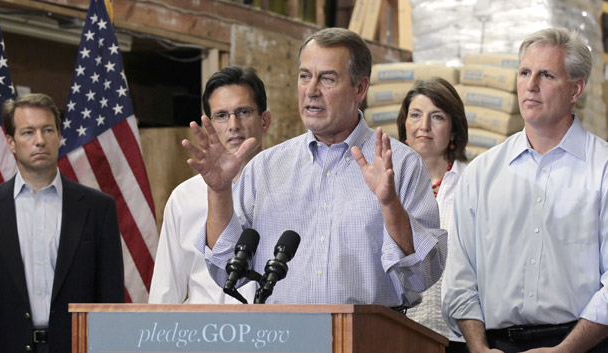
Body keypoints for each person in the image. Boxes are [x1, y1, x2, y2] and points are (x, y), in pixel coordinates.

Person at [184, 27, 447, 307]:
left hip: (369, 340)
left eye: (327, 79)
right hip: (283, 339)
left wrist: (389, 204)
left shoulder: (401, 164)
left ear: (360, 88)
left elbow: (423, 276)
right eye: (304, 77)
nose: (311, 91)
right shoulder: (265, 168)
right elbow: (227, 271)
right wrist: (219, 191)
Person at [442, 27, 608, 353]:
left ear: (576, 89)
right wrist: (478, 348)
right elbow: (460, 278)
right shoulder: (481, 174)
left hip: (585, 345)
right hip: (495, 346)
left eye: (546, 75)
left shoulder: (602, 169)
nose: (530, 86)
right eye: (524, 72)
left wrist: (565, 351)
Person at [0, 93, 124, 353]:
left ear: (59, 136)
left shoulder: (98, 208)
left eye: (47, 130)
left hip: (77, 347)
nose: (40, 141)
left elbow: (110, 298)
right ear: (10, 142)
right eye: (28, 133)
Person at [149, 66, 270, 304]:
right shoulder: (184, 198)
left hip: (272, 334)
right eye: (222, 115)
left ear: (264, 121)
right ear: (210, 125)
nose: (233, 124)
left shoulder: (291, 187)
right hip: (202, 337)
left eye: (243, 112)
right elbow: (165, 293)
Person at [397, 77, 468, 353]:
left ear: (453, 130)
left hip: (459, 337)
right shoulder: (385, 184)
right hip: (397, 331)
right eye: (415, 115)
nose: (423, 126)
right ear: (405, 124)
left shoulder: (471, 183)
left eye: (436, 117)